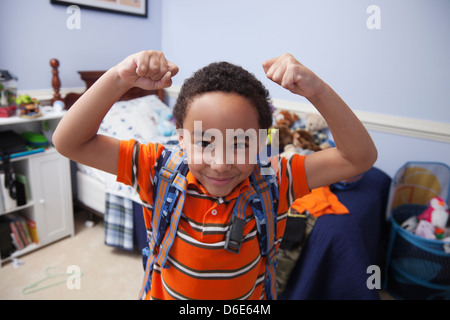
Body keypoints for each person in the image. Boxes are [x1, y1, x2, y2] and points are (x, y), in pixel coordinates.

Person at [53, 50, 377, 300]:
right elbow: (68, 142)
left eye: (240, 144)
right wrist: (118, 79)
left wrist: (316, 90)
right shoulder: (155, 168)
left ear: (263, 141)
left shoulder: (277, 177)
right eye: (204, 142)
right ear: (180, 137)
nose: (220, 165)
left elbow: (358, 157)